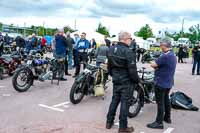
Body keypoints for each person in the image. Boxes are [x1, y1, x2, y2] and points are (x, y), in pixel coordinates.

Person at [106, 31, 139, 133]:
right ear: (125, 39)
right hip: (126, 82)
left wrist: (114, 75)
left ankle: (109, 122)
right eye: (130, 39)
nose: (131, 40)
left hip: (116, 80)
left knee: (114, 100)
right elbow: (132, 71)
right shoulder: (128, 52)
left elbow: (109, 67)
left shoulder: (111, 49)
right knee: (125, 103)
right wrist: (137, 81)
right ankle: (123, 127)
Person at [147, 38, 177, 129]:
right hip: (169, 81)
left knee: (160, 103)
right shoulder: (172, 54)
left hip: (161, 82)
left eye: (161, 45)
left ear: (164, 46)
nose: (160, 46)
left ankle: (159, 122)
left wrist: (151, 62)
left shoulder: (165, 56)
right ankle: (167, 117)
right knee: (166, 100)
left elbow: (154, 65)